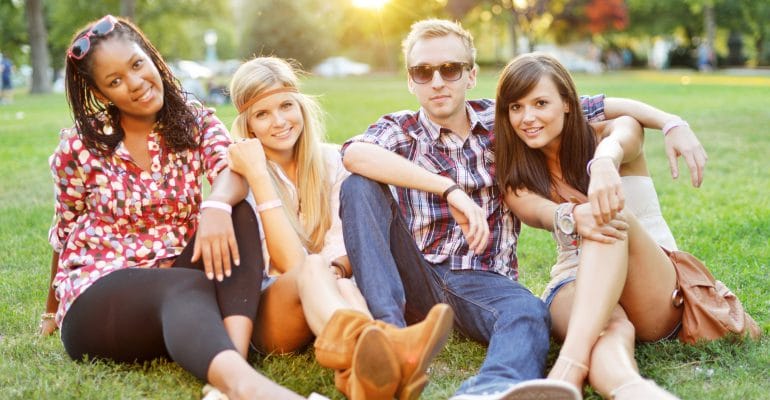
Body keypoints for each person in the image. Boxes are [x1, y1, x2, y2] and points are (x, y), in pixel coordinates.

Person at [339, 19, 708, 400]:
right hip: (414, 270)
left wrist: (669, 123)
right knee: (359, 183)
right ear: (410, 81)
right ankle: (389, 333)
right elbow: (353, 154)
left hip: (483, 281)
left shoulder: (505, 124)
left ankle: (488, 391)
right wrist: (448, 189)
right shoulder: (399, 130)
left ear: (471, 75)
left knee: (529, 312)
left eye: (450, 69)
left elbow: (594, 106)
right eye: (423, 72)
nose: (437, 81)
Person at [41, 15, 308, 400]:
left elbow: (231, 168)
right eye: (115, 81)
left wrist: (214, 204)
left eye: (136, 65)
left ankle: (229, 358)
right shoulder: (79, 147)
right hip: (101, 296)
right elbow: (64, 232)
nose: (135, 84)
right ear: (102, 95)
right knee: (185, 285)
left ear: (151, 57)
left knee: (238, 212)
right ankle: (248, 387)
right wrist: (51, 312)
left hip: (179, 282)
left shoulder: (195, 120)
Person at [226, 56, 454, 400]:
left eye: (287, 106)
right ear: (248, 125)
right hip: (271, 310)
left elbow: (353, 244)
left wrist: (336, 268)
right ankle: (390, 349)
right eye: (262, 114)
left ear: (301, 106)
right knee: (316, 267)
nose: (279, 121)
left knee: (344, 285)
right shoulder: (243, 177)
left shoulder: (332, 160)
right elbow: (292, 265)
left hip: (332, 292)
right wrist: (259, 176)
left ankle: (371, 371)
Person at [494, 52, 697, 399]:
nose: (527, 118)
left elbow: (625, 134)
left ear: (569, 104)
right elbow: (541, 213)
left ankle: (564, 369)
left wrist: (604, 162)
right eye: (516, 107)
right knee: (608, 327)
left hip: (652, 282)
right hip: (574, 279)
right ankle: (632, 390)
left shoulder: (612, 132)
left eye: (540, 103)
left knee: (608, 214)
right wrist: (572, 216)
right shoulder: (518, 176)